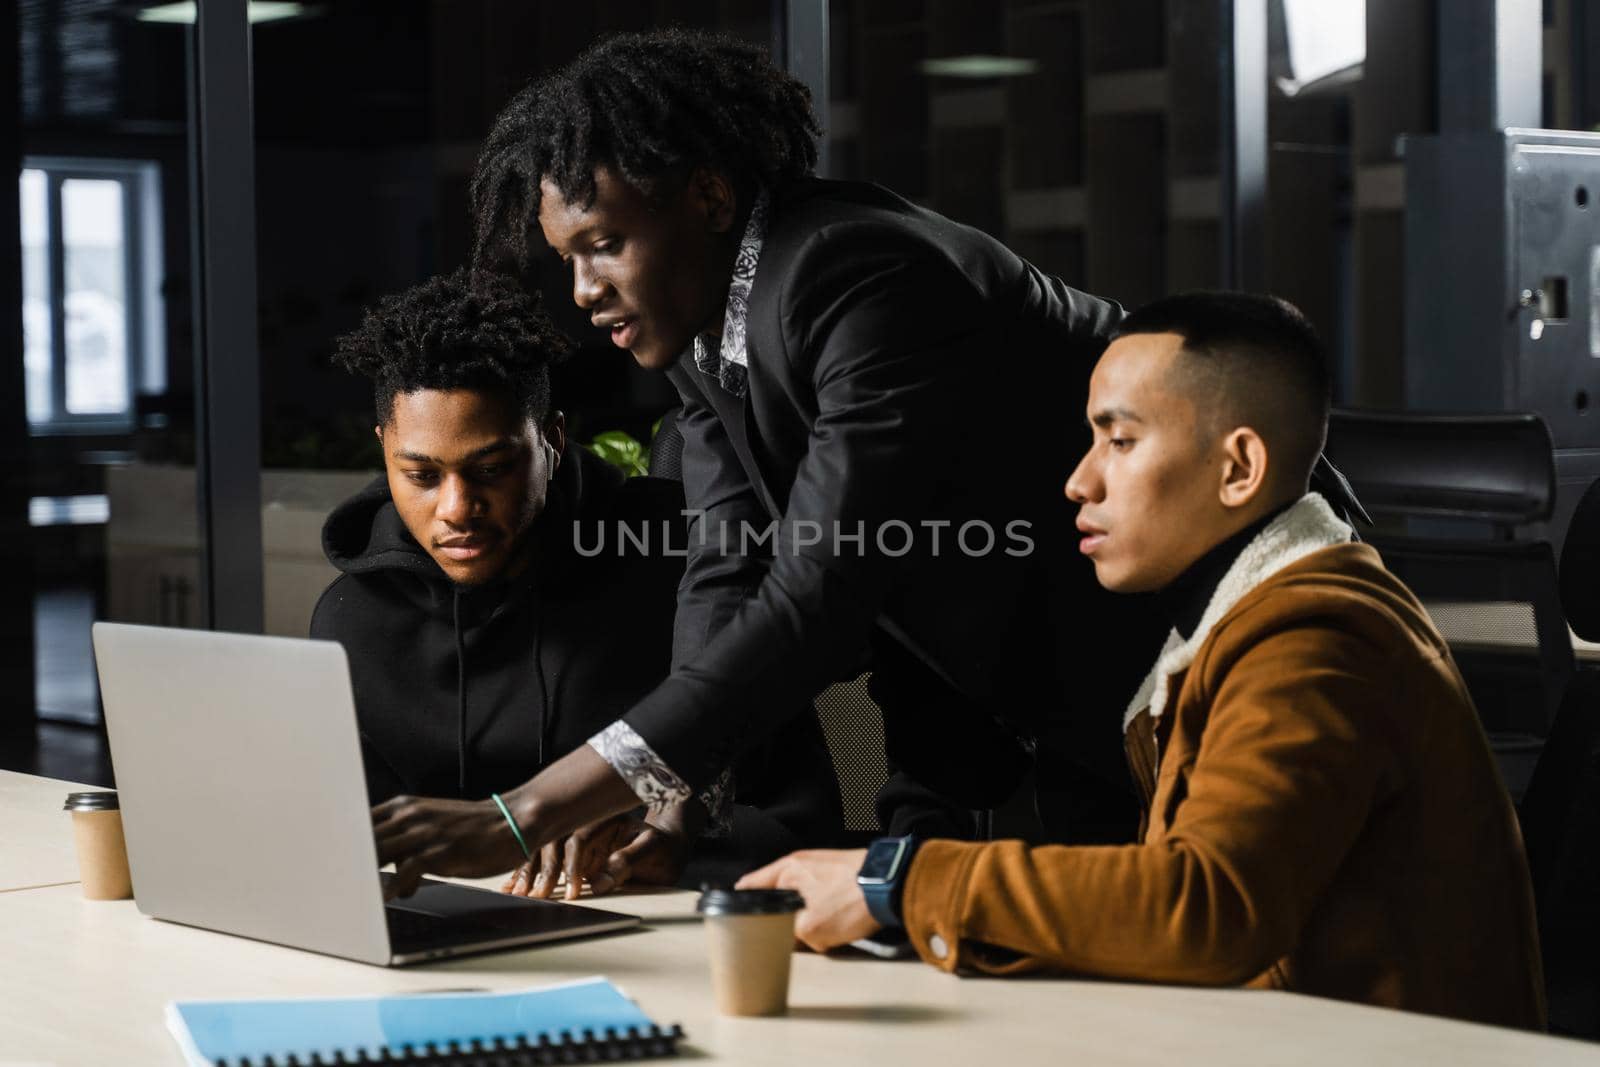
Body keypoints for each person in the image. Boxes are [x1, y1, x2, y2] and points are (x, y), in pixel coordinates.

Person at [367, 27, 1175, 884]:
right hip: (991, 711)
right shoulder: (707, 332)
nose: (583, 289)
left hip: (1162, 665)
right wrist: (676, 804)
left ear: (710, 197)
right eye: (569, 258)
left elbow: (820, 587)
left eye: (603, 243)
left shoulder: (858, 274)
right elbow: (725, 567)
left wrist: (529, 810)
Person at [738, 292, 1546, 1031]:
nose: (1078, 480)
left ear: (1238, 468)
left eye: (1119, 440)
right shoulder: (1248, 621)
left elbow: (1208, 907)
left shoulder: (1315, 641)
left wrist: (895, 881)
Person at [316, 267, 841, 898]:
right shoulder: (354, 619)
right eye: (422, 476)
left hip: (656, 928)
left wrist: (663, 822)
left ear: (553, 439)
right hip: (452, 938)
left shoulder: (683, 572)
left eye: (492, 469)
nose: (456, 508)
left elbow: (798, 812)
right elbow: (351, 849)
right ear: (385, 453)